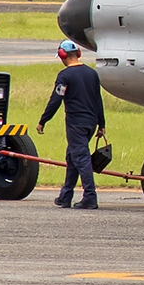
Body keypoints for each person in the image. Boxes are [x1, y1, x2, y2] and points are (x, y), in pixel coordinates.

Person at [37, 39, 106, 209]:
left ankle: (90, 196)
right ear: (78, 53)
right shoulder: (92, 74)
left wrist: (43, 120)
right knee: (72, 156)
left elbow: (55, 100)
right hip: (90, 123)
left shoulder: (65, 75)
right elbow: (98, 100)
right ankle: (65, 195)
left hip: (76, 123)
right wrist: (101, 124)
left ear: (63, 55)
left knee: (81, 158)